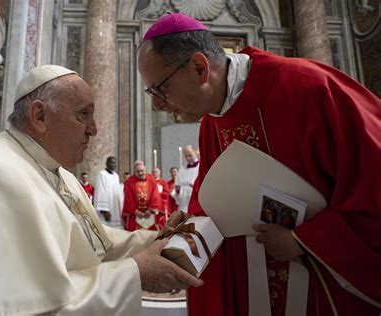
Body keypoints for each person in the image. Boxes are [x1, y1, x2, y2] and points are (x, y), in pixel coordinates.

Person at [0, 65, 203, 315]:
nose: (94, 129)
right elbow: (18, 305)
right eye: (84, 115)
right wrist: (135, 272)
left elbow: (98, 244)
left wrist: (157, 239)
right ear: (40, 117)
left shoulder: (59, 173)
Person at [138, 12, 380, 316]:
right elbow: (212, 205)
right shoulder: (211, 124)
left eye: (159, 89)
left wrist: (305, 240)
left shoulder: (309, 88)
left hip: (327, 292)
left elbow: (374, 183)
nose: (156, 105)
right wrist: (187, 232)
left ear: (199, 68)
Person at [122, 161, 163, 231]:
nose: (140, 173)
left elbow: (155, 196)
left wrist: (150, 210)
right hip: (135, 215)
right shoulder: (130, 181)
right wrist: (135, 211)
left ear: (145, 170)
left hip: (150, 214)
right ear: (135, 172)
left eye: (142, 171)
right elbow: (128, 198)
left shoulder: (151, 179)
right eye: (138, 171)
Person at [94, 156, 124, 229]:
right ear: (106, 164)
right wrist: (104, 210)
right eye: (111, 163)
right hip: (107, 210)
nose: (113, 165)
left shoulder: (116, 176)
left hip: (115, 208)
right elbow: (100, 191)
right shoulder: (102, 174)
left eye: (114, 163)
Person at [172, 145, 199, 212]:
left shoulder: (201, 167)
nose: (188, 158)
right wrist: (177, 190)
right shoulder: (182, 170)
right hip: (184, 205)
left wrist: (195, 187)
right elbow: (177, 188)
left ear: (195, 152)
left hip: (197, 203)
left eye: (190, 155)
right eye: (186, 156)